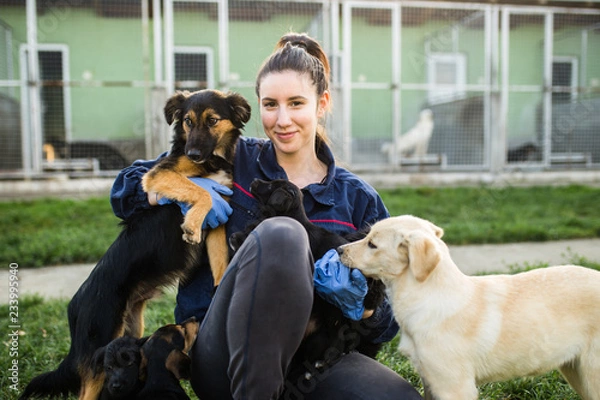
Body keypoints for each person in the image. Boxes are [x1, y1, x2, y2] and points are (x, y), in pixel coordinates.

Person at [110, 33, 422, 400]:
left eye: (296, 103)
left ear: (322, 103)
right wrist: (180, 191)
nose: (282, 119)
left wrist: (364, 307)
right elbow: (125, 190)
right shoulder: (227, 159)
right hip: (222, 352)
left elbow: (388, 318)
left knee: (397, 398)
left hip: (310, 362)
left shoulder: (357, 199)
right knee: (283, 235)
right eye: (271, 105)